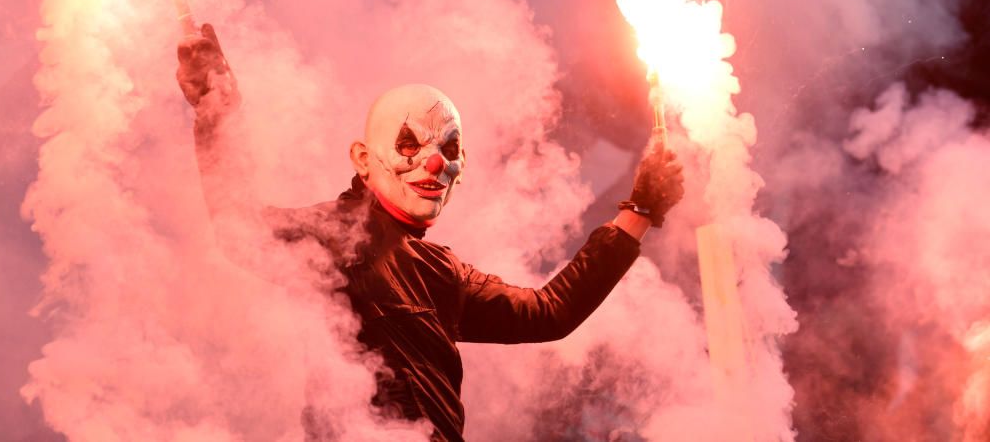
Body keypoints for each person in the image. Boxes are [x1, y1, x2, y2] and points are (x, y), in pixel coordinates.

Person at [177, 24, 685, 441]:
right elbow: (239, 228)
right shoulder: (334, 235)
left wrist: (639, 211)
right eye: (408, 143)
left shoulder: (445, 273)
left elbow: (549, 313)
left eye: (450, 148)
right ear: (362, 158)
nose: (435, 163)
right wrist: (216, 111)